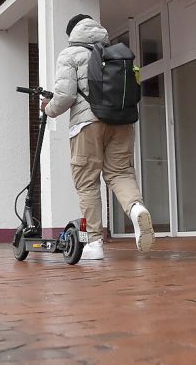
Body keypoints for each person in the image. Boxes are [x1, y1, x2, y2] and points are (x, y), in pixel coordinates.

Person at [40, 14, 154, 260]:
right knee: (120, 172)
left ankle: (94, 243)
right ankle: (136, 208)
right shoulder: (116, 52)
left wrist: (48, 109)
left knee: (87, 181)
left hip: (87, 124)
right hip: (123, 122)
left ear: (72, 33)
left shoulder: (70, 55)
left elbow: (66, 95)